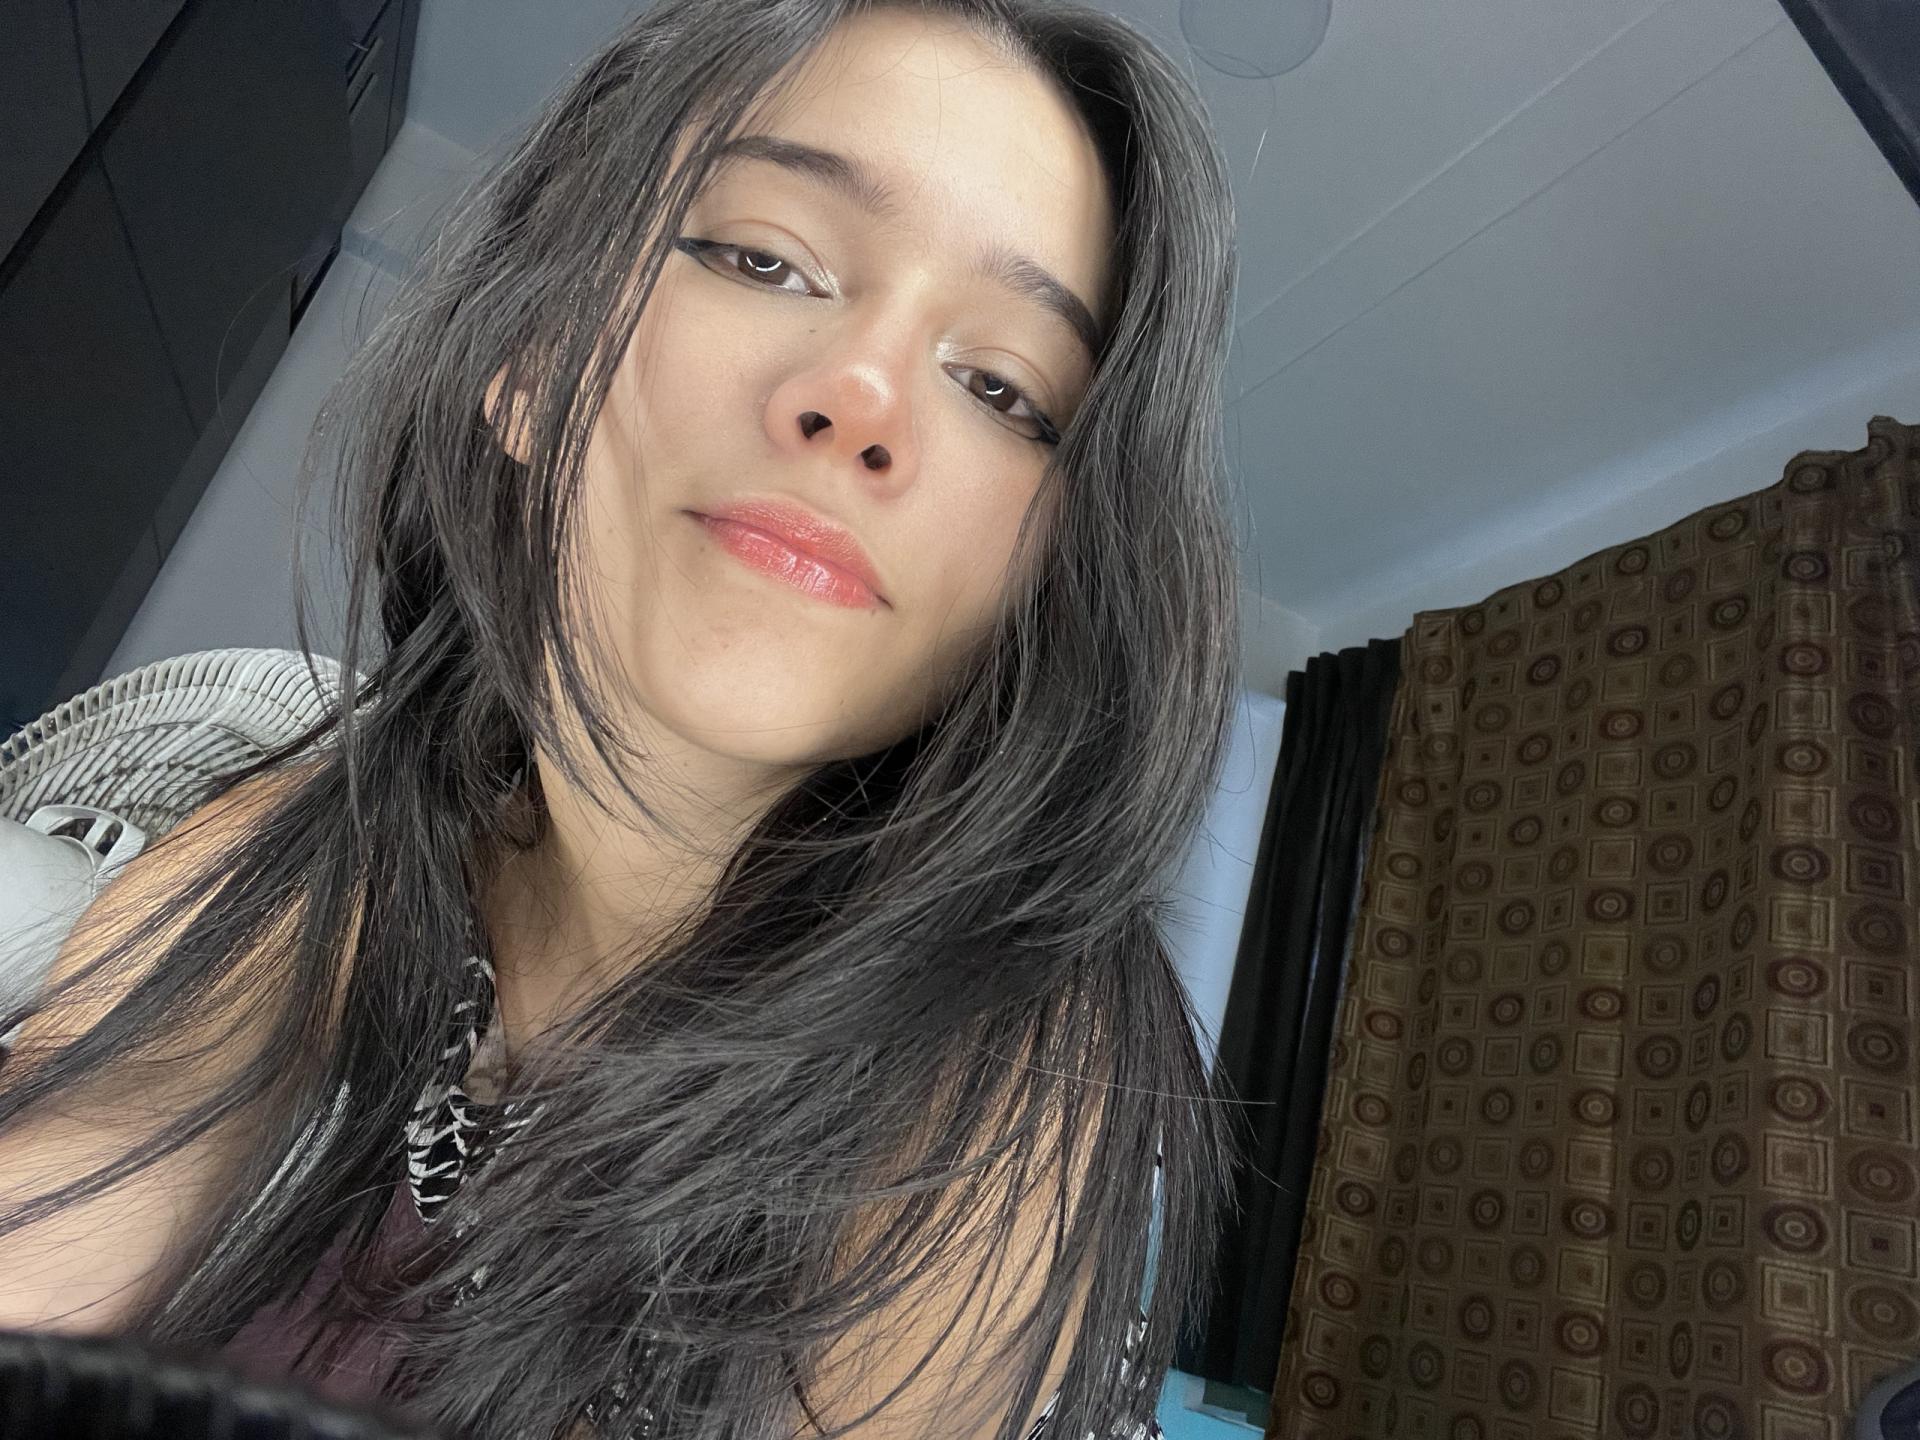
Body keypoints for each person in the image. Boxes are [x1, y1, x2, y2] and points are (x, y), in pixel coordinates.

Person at [0, 0, 1243, 1436]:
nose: (865, 399)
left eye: (1004, 389)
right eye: (764, 258)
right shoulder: (309, 841)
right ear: (529, 359)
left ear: (1030, 586)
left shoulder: (998, 1086)